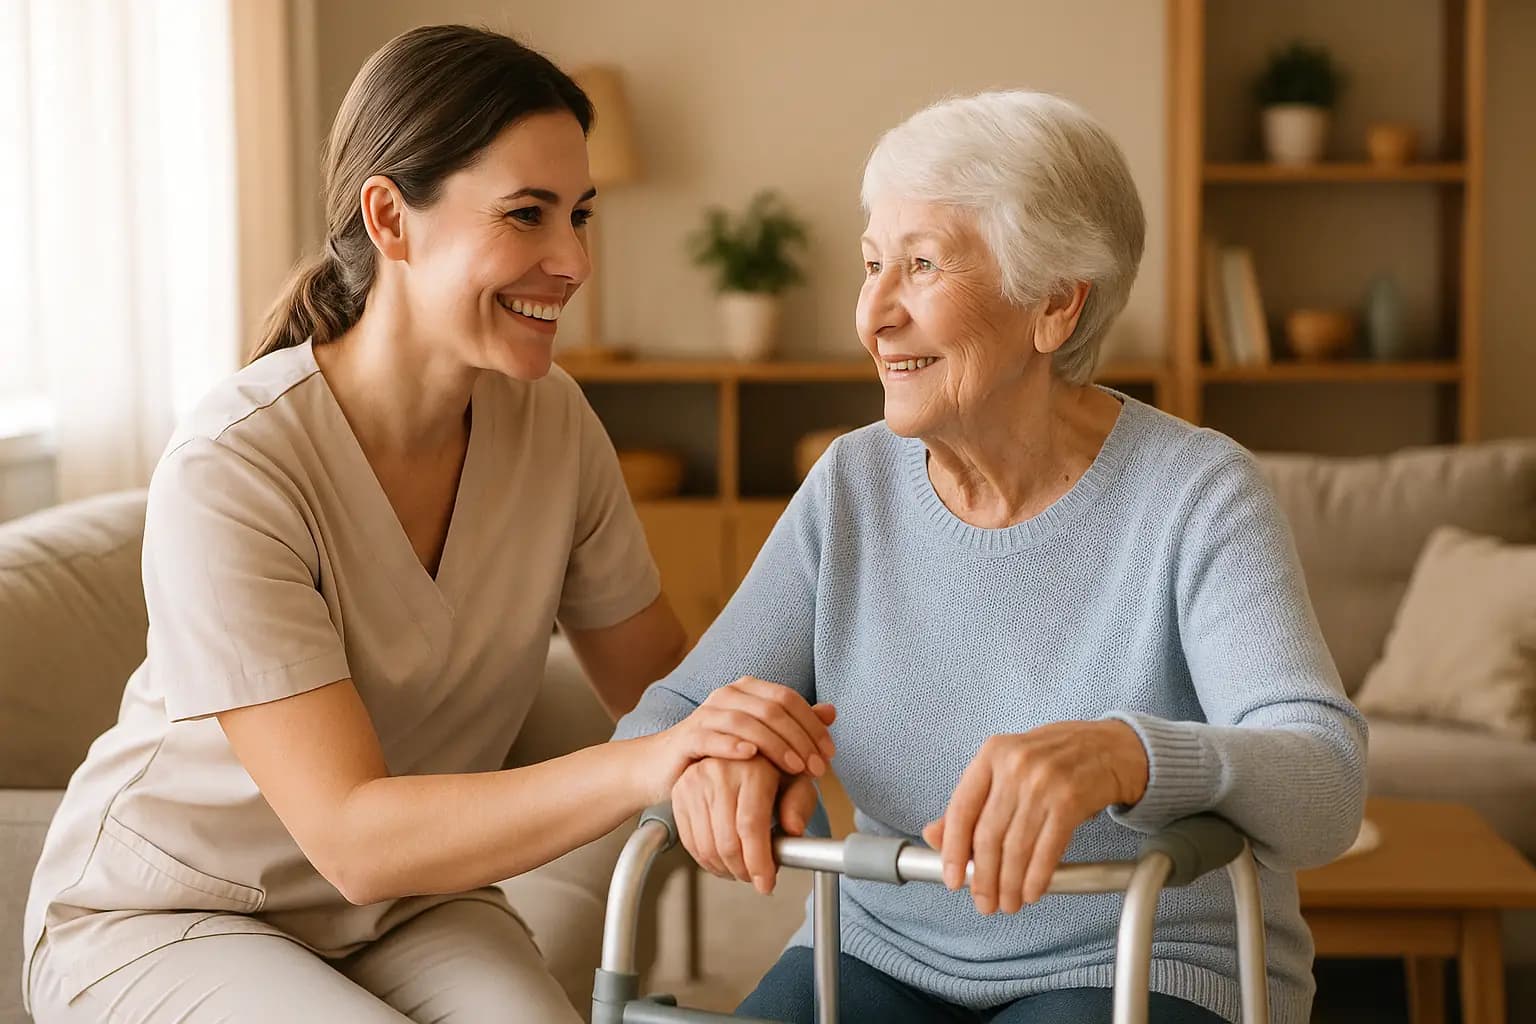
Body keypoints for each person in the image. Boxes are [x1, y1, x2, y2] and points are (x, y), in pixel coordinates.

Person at [23, 25, 834, 1024]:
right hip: (172, 912)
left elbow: (665, 687)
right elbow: (353, 835)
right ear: (391, 219)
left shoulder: (556, 427)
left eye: (579, 215)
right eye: (527, 214)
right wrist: (653, 760)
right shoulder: (236, 466)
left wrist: (755, 750)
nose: (573, 259)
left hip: (409, 906)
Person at [613, 90, 1367, 1024]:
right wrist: (710, 756)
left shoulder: (1196, 493)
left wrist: (1128, 754)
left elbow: (1327, 786)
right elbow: (662, 718)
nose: (874, 316)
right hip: (882, 951)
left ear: (1054, 303)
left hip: (1141, 957)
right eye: (872, 265)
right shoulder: (852, 486)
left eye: (922, 266)